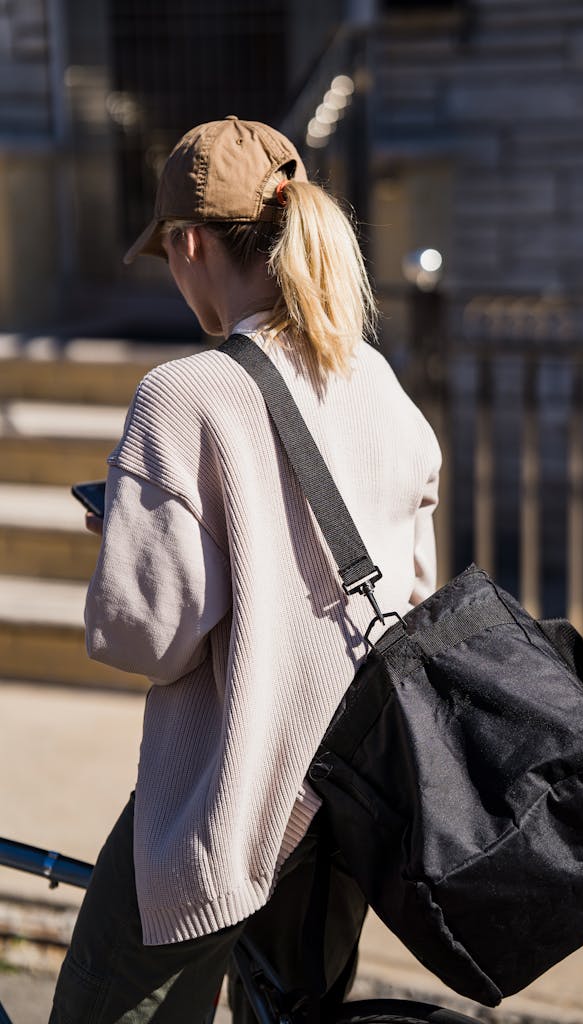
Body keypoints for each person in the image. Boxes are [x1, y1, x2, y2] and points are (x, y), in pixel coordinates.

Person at [50, 115, 441, 1024]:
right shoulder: (375, 380)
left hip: (223, 809)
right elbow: (410, 590)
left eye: (168, 255)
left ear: (187, 242)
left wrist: (124, 544)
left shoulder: (183, 395)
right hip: (339, 811)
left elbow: (143, 638)